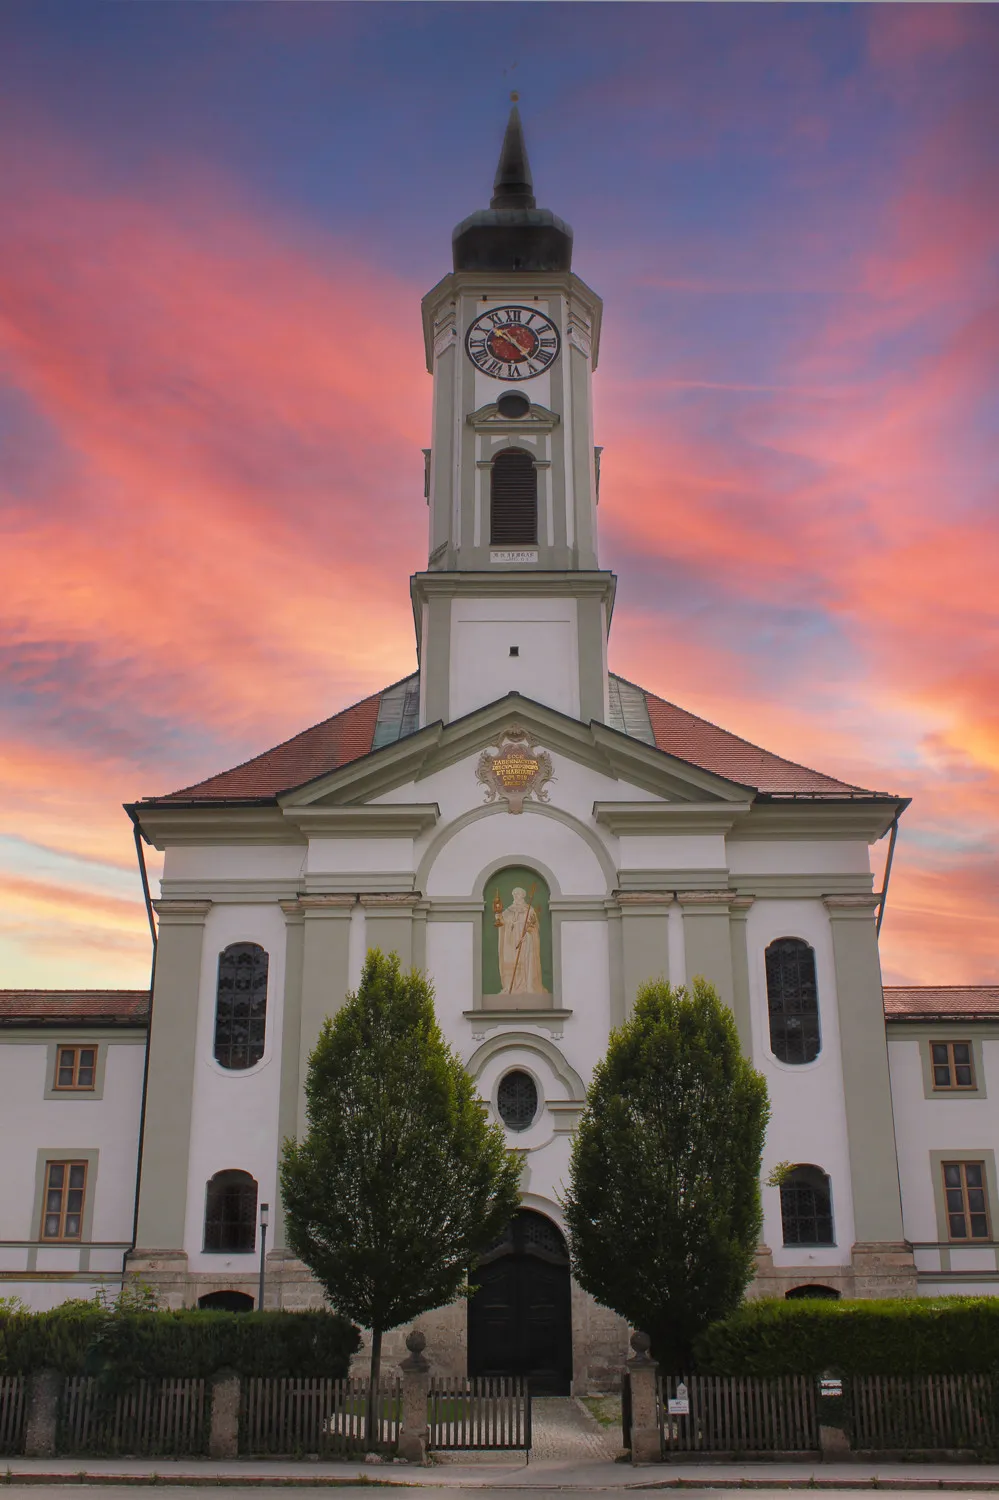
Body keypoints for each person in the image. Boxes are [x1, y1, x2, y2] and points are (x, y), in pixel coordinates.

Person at [494, 886, 547, 994]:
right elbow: (502, 922)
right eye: (514, 894)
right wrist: (498, 916)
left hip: (525, 941)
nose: (516, 896)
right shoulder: (509, 910)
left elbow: (534, 926)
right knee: (512, 962)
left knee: (525, 961)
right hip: (511, 941)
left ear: (523, 896)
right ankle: (511, 986)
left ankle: (526, 985)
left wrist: (528, 933)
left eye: (518, 894)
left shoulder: (529, 909)